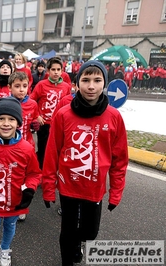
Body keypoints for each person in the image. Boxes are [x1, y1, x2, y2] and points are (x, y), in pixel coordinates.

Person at [42, 60, 128, 266]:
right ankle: (68, 259)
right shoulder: (63, 115)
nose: (91, 86)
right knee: (68, 231)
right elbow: (52, 153)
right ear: (76, 83)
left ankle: (79, 241)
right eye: (86, 80)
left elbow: (120, 160)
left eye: (97, 80)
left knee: (90, 232)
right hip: (68, 186)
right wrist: (47, 187)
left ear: (104, 83)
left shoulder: (114, 117)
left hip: (94, 188)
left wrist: (116, 192)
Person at [0, 97, 42, 266]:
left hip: (15, 203)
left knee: (10, 229)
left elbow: (34, 173)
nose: (6, 123)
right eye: (1, 119)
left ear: (18, 122)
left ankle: (5, 249)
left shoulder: (26, 148)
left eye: (11, 119)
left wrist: (30, 190)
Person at [6, 71, 40, 221]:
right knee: (11, 175)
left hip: (27, 146)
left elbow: (34, 120)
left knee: (25, 176)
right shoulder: (5, 103)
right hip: (9, 146)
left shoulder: (32, 104)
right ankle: (7, 201)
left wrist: (35, 125)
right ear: (10, 87)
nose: (21, 89)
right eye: (17, 86)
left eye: (24, 86)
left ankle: (22, 206)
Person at [30, 57, 71, 169]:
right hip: (44, 124)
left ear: (62, 71)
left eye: (58, 69)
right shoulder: (41, 85)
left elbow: (68, 105)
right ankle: (40, 172)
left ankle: (53, 172)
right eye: (53, 69)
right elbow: (32, 101)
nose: (56, 72)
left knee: (57, 150)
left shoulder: (66, 87)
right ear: (48, 71)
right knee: (43, 149)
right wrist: (37, 115)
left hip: (59, 125)